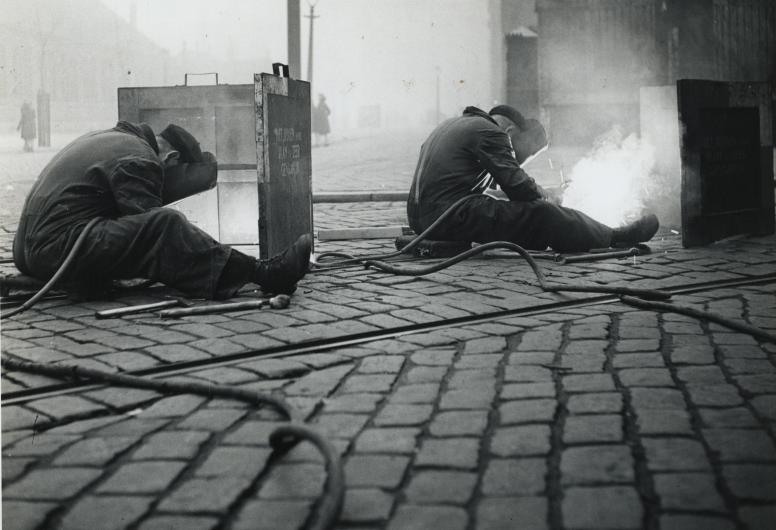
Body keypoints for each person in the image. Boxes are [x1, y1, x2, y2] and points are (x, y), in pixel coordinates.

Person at [12, 121, 311, 300]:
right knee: (165, 223)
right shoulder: (141, 158)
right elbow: (154, 229)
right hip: (55, 250)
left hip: (32, 250)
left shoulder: (110, 138)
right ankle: (266, 274)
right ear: (172, 157)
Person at [407, 104, 659, 253]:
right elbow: (520, 189)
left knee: (526, 210)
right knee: (541, 214)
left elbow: (488, 193)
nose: (518, 161)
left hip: (422, 218)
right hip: (447, 217)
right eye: (519, 154)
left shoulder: (455, 124)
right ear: (509, 132)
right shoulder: (491, 133)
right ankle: (614, 236)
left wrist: (547, 191)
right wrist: (551, 201)